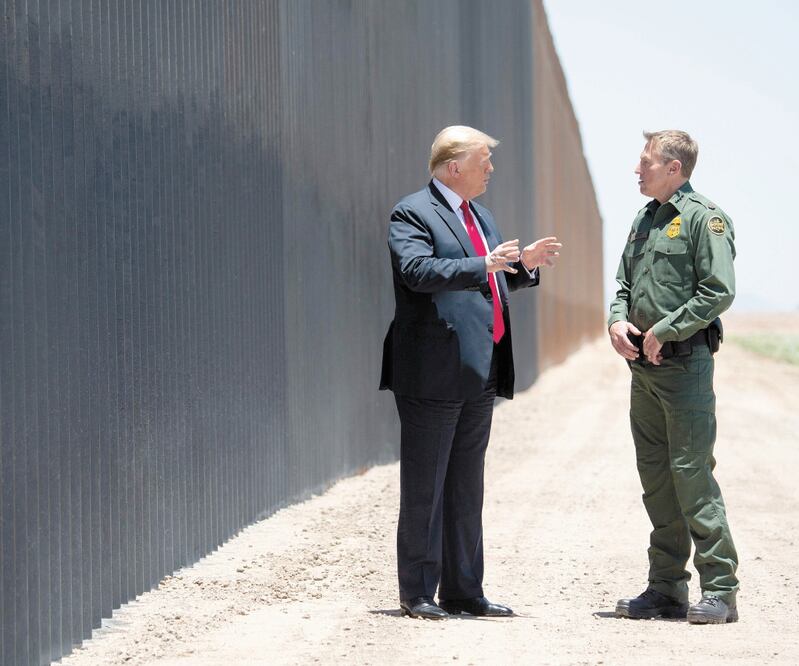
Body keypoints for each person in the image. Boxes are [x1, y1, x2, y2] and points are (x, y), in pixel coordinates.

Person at [379, 125, 561, 620]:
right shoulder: (413, 211)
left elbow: (490, 275)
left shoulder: (480, 214)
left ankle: (464, 590)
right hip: (433, 369)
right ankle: (417, 591)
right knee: (426, 484)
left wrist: (521, 264)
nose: (491, 170)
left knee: (466, 483)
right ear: (453, 166)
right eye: (484, 161)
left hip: (480, 366)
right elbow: (418, 272)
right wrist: (485, 262)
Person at [608, 130, 739, 624]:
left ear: (674, 168)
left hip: (684, 368)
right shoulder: (645, 219)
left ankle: (721, 589)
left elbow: (718, 291)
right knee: (657, 479)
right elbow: (623, 283)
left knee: (692, 477)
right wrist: (617, 320)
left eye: (645, 162)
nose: (636, 170)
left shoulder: (705, 220)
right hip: (643, 372)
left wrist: (666, 328)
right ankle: (666, 589)